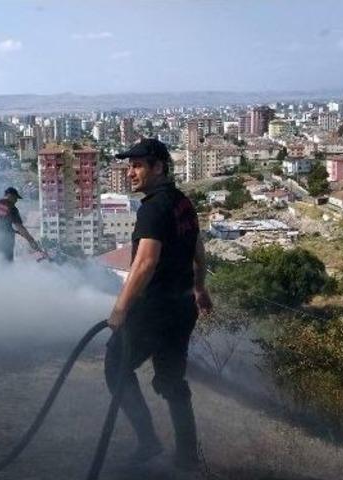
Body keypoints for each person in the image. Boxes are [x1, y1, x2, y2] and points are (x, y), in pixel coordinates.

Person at [105, 138, 213, 473]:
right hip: (182, 310)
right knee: (171, 381)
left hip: (154, 310)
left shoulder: (153, 208)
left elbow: (145, 263)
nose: (130, 172)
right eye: (129, 165)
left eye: (138, 165)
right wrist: (199, 289)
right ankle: (187, 456)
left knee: (115, 365)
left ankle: (149, 440)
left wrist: (121, 308)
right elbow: (197, 250)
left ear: (159, 167)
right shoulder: (182, 203)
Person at [0, 187, 42, 262]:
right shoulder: (11, 207)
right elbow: (19, 227)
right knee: (6, 265)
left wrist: (10, 229)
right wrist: (31, 241)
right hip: (5, 243)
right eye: (16, 198)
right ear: (11, 195)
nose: (16, 201)